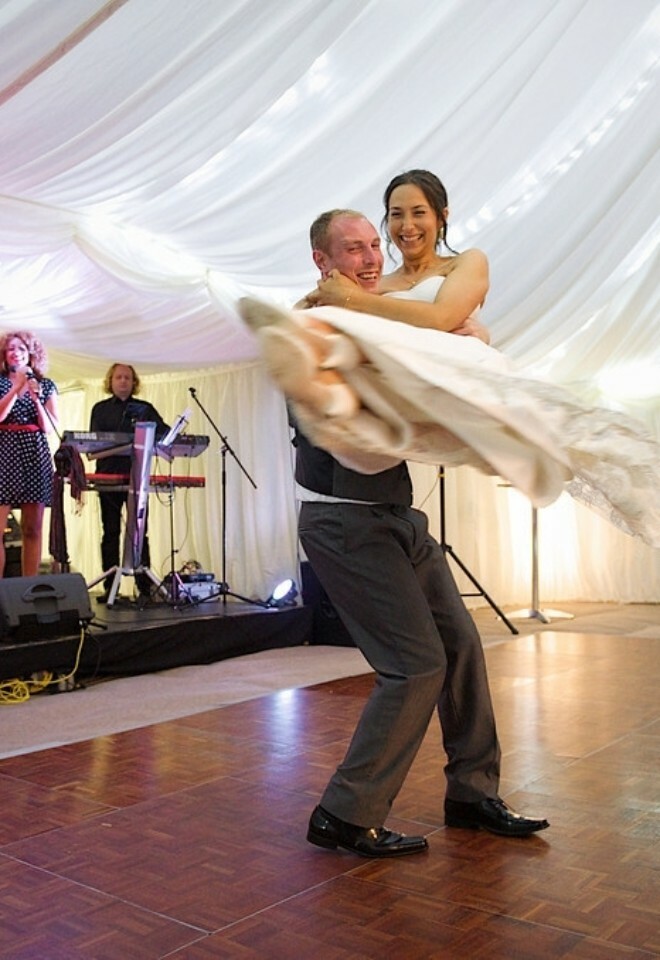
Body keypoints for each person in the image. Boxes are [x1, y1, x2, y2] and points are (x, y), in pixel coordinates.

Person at [246, 200, 551, 858]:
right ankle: (343, 813)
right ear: (322, 262)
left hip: (396, 515)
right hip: (343, 522)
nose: (370, 258)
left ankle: (472, 792)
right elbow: (375, 426)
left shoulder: (369, 314)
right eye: (352, 249)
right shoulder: (316, 325)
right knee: (414, 666)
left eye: (371, 246)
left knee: (462, 646)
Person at [239, 172, 660, 546]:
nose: (406, 226)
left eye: (418, 212)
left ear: (441, 216)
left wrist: (351, 300)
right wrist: (316, 310)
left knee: (554, 435)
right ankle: (327, 396)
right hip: (410, 382)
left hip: (457, 369)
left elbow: (442, 318)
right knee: (358, 363)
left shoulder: (466, 262)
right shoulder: (376, 284)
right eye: (396, 214)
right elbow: (328, 311)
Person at [90, 363, 169, 602]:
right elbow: (94, 441)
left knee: (139, 531)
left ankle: (144, 587)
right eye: (119, 377)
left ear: (133, 382)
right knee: (110, 531)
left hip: (138, 477)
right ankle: (110, 587)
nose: (123, 381)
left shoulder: (145, 409)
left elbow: (164, 432)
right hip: (109, 477)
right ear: (111, 381)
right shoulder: (100, 409)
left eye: (127, 378)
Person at [0, 331, 59, 577]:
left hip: (34, 449)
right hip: (4, 448)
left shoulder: (45, 385)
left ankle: (29, 587)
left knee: (33, 527)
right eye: (11, 349)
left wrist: (34, 397)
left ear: (31, 355)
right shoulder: (2, 382)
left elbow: (51, 426)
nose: (16, 353)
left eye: (21, 349)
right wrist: (17, 389)